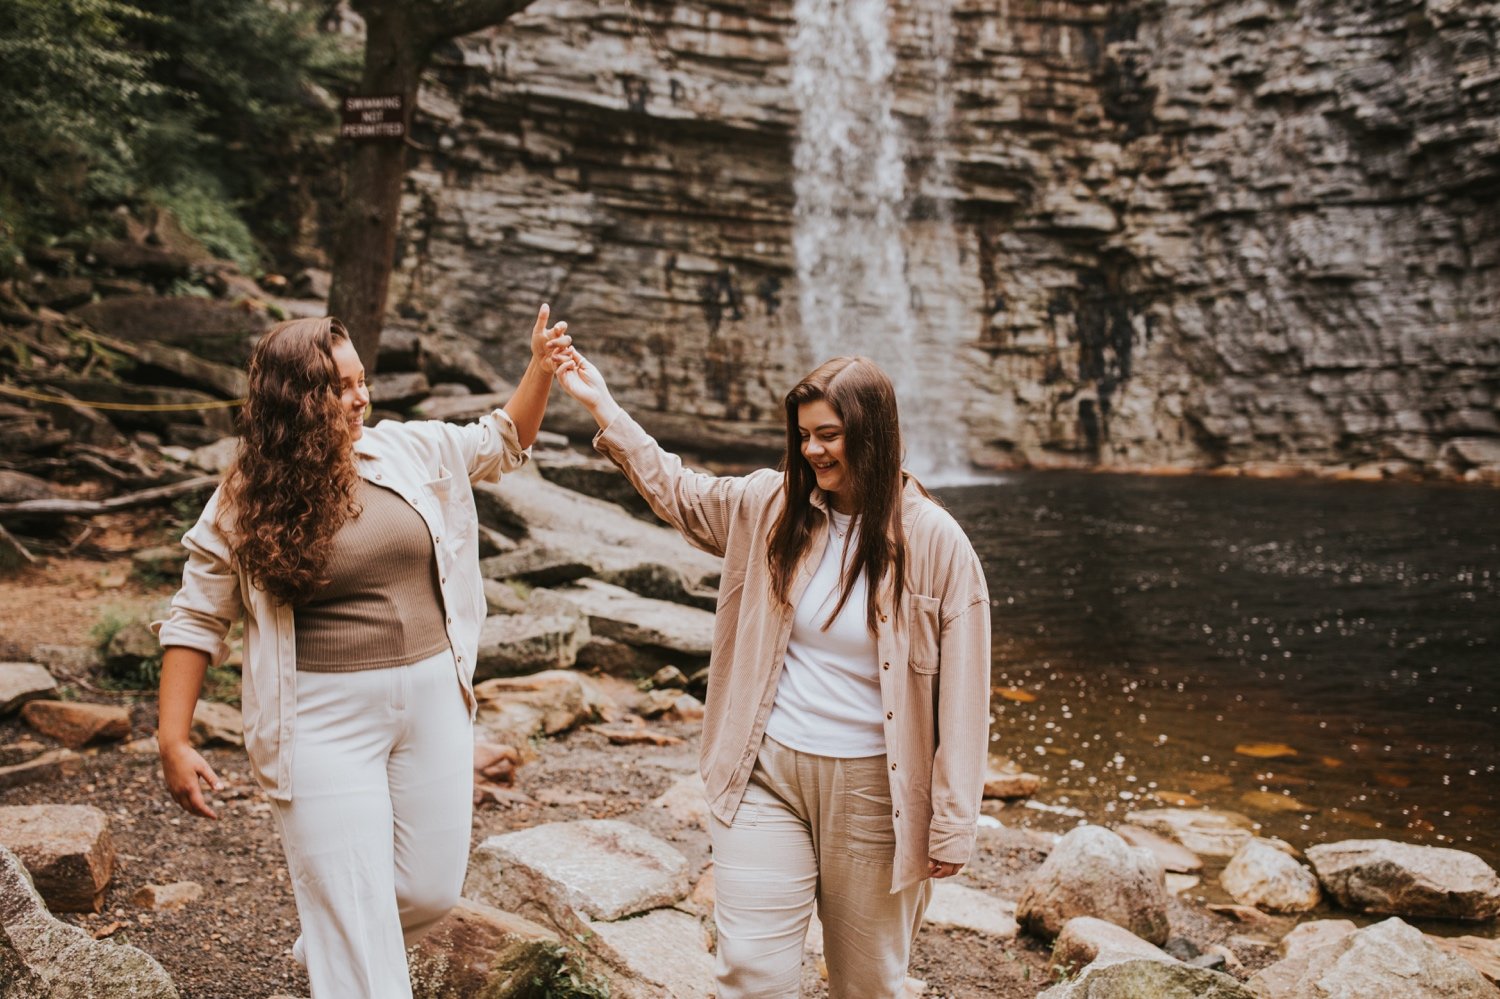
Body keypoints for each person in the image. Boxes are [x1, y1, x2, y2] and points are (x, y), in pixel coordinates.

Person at [153, 306, 569, 998]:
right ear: (297, 401)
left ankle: (333, 938)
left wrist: (540, 368)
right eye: (341, 388)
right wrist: (173, 737)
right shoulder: (243, 501)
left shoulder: (405, 451)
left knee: (428, 891)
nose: (361, 398)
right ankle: (344, 950)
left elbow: (504, 439)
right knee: (354, 923)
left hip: (435, 701)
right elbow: (195, 619)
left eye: (362, 381)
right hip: (322, 719)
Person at [553, 348, 991, 998]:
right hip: (767, 773)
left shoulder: (935, 541)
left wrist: (953, 820)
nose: (811, 449)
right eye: (804, 434)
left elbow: (965, 694)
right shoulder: (772, 504)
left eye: (828, 435)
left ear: (872, 433)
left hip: (876, 791)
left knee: (867, 985)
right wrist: (603, 406)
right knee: (752, 975)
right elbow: (681, 492)